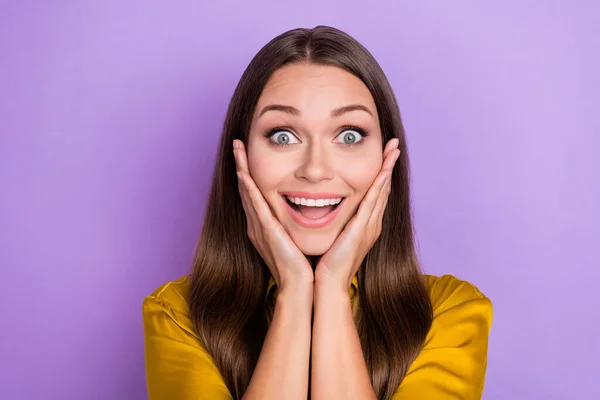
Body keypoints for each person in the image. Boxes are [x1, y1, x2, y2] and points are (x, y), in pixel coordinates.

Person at [142, 25, 493, 400]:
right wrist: (294, 290)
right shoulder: (176, 315)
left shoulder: (451, 313)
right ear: (240, 157)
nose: (314, 170)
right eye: (282, 136)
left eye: (349, 135)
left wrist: (332, 287)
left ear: (387, 158)